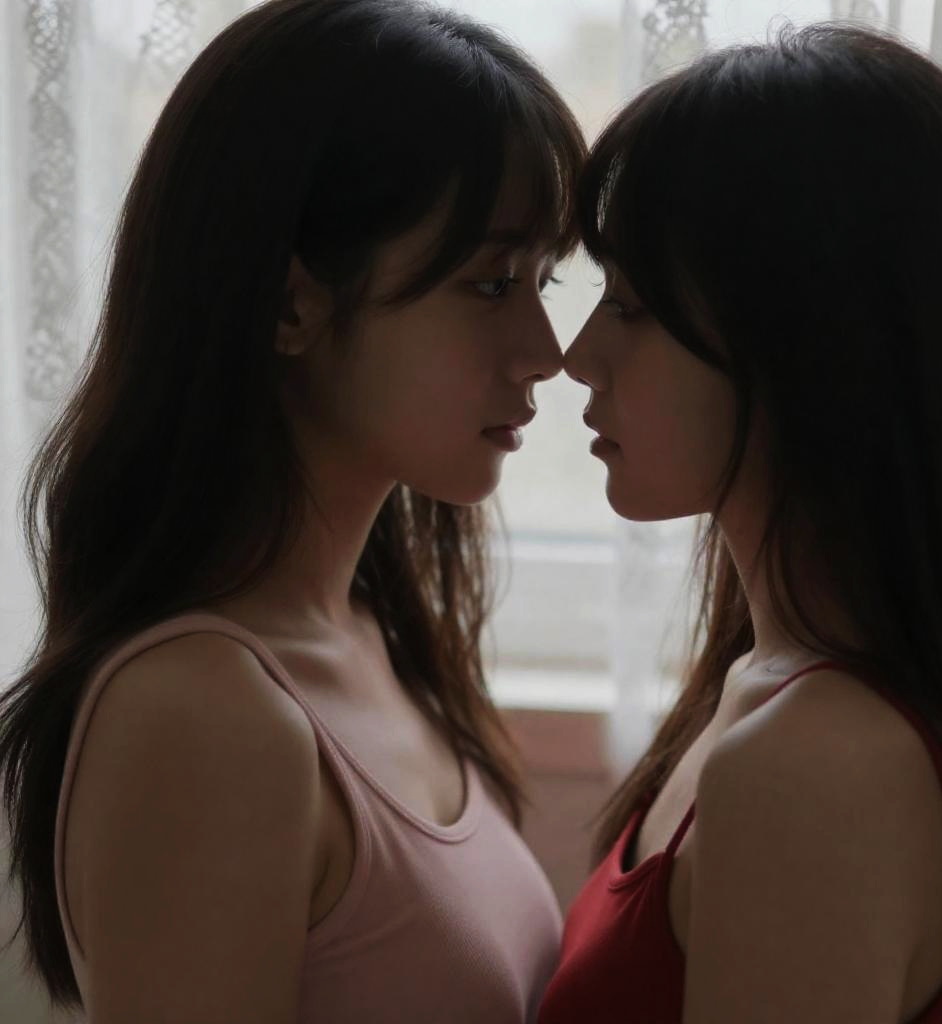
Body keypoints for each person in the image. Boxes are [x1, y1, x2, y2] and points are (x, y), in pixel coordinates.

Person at [0, 1, 586, 1021]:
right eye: (493, 283)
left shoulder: (369, 632)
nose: (546, 351)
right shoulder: (203, 717)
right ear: (290, 305)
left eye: (544, 279)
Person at [540, 23, 942, 1024]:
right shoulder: (768, 683)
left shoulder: (814, 764)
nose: (576, 356)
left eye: (631, 304)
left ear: (803, 342)